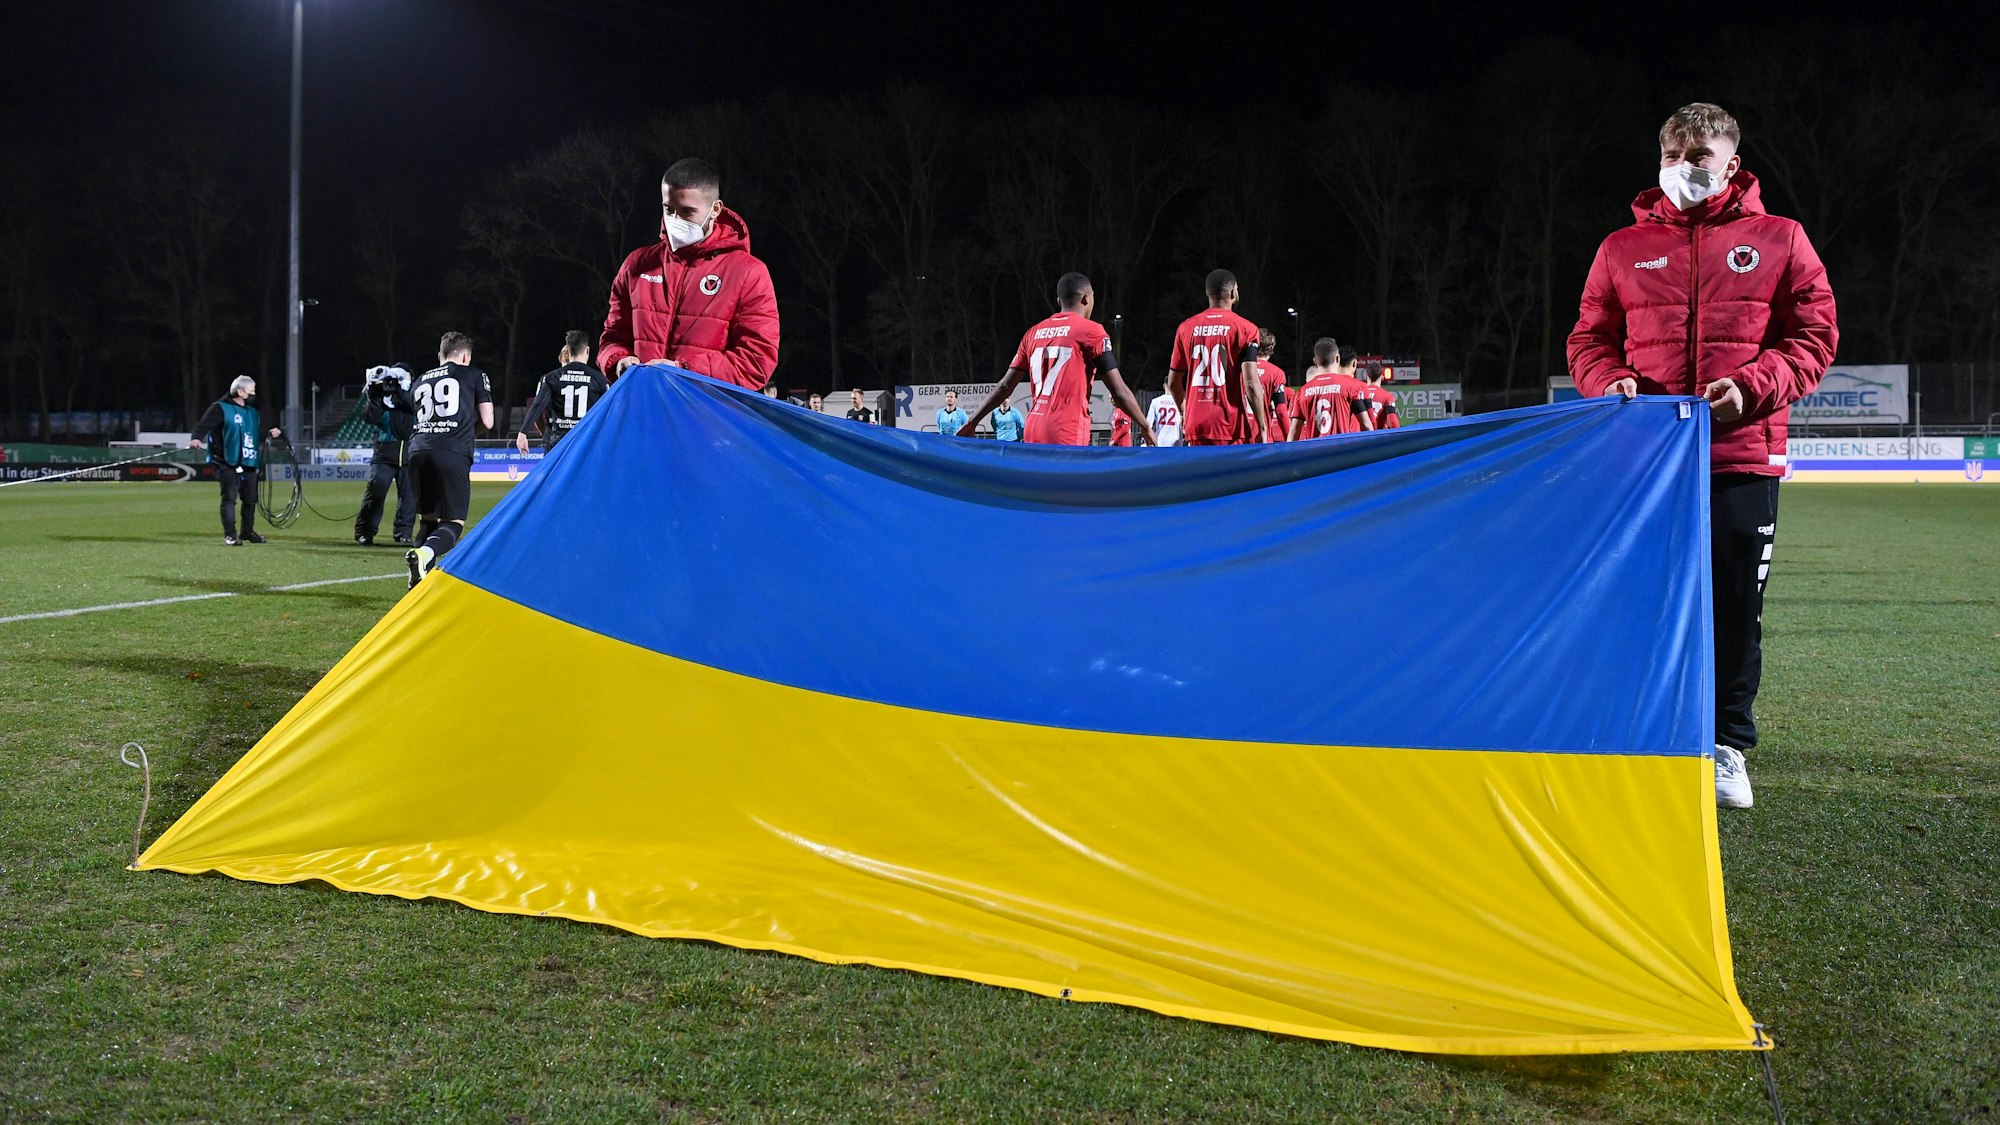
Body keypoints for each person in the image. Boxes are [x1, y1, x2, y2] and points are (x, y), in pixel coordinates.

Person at [1567, 102, 1838, 809]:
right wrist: (1608, 380)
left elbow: (1815, 336)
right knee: (1640, 602)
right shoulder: (1620, 248)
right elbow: (1587, 341)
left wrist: (1750, 389)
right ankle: (1645, 733)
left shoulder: (1780, 240)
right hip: (1646, 463)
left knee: (1733, 609)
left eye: (1701, 155)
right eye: (1675, 152)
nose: (1687, 165)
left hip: (1740, 455)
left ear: (1730, 164)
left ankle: (1725, 746)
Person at [598, 158, 780, 389]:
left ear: (715, 209)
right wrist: (617, 361)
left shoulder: (748, 273)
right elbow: (612, 338)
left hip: (706, 417)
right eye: (668, 209)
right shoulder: (637, 265)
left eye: (687, 212)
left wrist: (682, 372)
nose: (675, 220)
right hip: (643, 411)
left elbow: (756, 361)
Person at [960, 273, 1155, 446]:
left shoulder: (1032, 333)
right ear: (1087, 298)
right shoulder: (1092, 332)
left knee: (1038, 487)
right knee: (1068, 488)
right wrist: (1145, 426)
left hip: (1033, 428)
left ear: (1058, 300)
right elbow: (1118, 391)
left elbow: (1005, 386)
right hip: (1066, 430)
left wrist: (973, 422)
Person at [405, 332, 495, 588]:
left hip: (418, 451)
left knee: (427, 520)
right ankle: (424, 555)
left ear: (440, 355)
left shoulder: (421, 379)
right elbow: (488, 421)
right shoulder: (475, 375)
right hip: (451, 451)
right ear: (466, 355)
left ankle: (418, 581)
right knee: (453, 524)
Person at [1169, 270, 1265, 445]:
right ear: (1233, 293)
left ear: (1207, 293)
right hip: (1230, 426)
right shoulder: (1246, 328)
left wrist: (1185, 412)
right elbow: (1251, 383)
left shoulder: (1185, 328)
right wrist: (1263, 428)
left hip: (1196, 425)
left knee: (1201, 473)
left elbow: (1173, 382)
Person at [189, 376, 283, 546]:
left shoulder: (252, 413)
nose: (254, 394)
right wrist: (196, 438)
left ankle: (247, 532)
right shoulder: (220, 408)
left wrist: (269, 434)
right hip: (225, 461)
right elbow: (203, 426)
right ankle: (230, 535)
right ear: (240, 392)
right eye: (251, 391)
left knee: (250, 499)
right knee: (229, 498)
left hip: (248, 461)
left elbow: (253, 436)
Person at [355, 364, 418, 546]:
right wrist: (378, 397)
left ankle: (404, 532)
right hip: (384, 452)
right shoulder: (382, 395)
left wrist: (400, 389)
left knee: (409, 496)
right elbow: (369, 417)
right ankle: (365, 532)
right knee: (375, 492)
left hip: (410, 452)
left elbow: (414, 407)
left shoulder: (414, 393)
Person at [516, 331, 608, 455]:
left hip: (558, 444)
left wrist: (523, 433)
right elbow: (611, 411)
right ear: (587, 350)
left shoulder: (551, 378)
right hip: (586, 443)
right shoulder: (599, 379)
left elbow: (537, 406)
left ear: (568, 351)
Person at [1291, 338, 1365, 440]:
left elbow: (1294, 430)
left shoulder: (1302, 391)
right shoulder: (1350, 386)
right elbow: (1366, 425)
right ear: (1338, 358)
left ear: (1315, 361)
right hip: (1342, 452)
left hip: (1315, 453)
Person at [1256, 327, 1291, 443]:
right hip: (1263, 436)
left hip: (1240, 434)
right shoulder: (1276, 373)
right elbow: (1280, 410)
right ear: (1271, 348)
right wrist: (1290, 439)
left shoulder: (1239, 370)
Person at [1353, 361, 1401, 431]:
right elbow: (1393, 423)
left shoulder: (1358, 393)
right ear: (1382, 377)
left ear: (1366, 376)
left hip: (1360, 436)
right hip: (1379, 437)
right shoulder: (1388, 396)